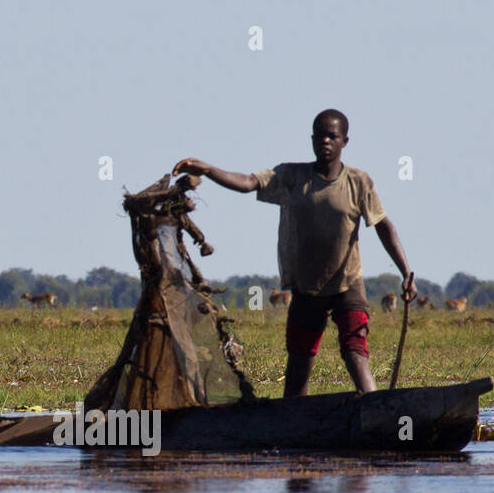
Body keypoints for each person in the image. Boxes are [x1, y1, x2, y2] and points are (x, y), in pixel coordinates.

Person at [175, 109, 417, 397]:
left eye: (332, 136)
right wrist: (208, 170)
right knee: (300, 361)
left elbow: (383, 226)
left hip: (347, 282)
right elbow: (248, 182)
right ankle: (293, 419)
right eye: (320, 136)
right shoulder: (292, 177)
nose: (325, 141)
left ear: (344, 141)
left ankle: (376, 405)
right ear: (312, 140)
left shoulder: (358, 182)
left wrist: (406, 272)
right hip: (306, 286)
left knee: (355, 350)